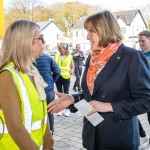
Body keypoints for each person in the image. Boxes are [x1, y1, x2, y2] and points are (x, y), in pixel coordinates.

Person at [47, 10, 150, 150]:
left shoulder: (131, 57)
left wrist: (109, 106)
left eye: (91, 32)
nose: (88, 37)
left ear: (105, 31)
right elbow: (93, 97)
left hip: (118, 139)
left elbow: (146, 100)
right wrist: (72, 99)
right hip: (93, 136)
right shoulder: (92, 58)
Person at [0, 20, 54, 149]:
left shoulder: (32, 71)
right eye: (41, 38)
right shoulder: (7, 76)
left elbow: (43, 116)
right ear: (25, 42)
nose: (44, 42)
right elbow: (15, 126)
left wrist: (49, 145)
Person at [34, 49, 60, 134]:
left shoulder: (30, 59)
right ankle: (50, 131)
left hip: (36, 90)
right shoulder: (48, 58)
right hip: (48, 89)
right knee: (50, 112)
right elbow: (57, 71)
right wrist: (52, 81)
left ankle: (40, 131)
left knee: (37, 112)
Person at [54, 43, 74, 117]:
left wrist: (71, 71)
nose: (59, 50)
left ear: (65, 49)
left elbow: (72, 66)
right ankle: (61, 109)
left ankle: (67, 109)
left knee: (66, 94)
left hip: (66, 77)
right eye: (59, 48)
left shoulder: (70, 57)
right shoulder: (56, 56)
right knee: (59, 94)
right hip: (58, 77)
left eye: (61, 48)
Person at [138, 30, 150, 148]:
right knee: (130, 113)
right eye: (139, 41)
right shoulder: (138, 54)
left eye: (143, 41)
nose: (141, 43)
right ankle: (143, 136)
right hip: (140, 91)